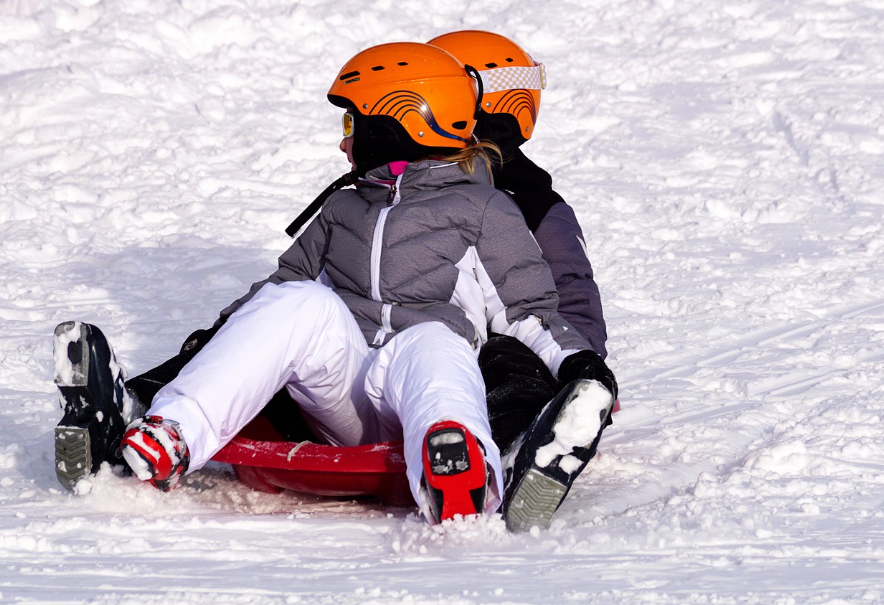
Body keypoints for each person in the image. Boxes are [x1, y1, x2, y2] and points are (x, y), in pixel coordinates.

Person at [53, 41, 616, 528]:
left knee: (435, 339)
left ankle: (457, 466)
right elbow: (278, 297)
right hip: (340, 393)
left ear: (396, 123)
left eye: (352, 125)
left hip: (419, 386)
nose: (343, 143)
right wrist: (212, 342)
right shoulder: (341, 210)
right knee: (299, 300)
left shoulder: (485, 211)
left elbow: (529, 311)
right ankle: (171, 433)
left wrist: (580, 364)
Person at [427, 31, 615, 531]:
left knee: (505, 365)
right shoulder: (406, 185)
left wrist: (578, 364)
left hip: (511, 347)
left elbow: (571, 296)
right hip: (419, 343)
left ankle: (527, 448)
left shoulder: (532, 203)